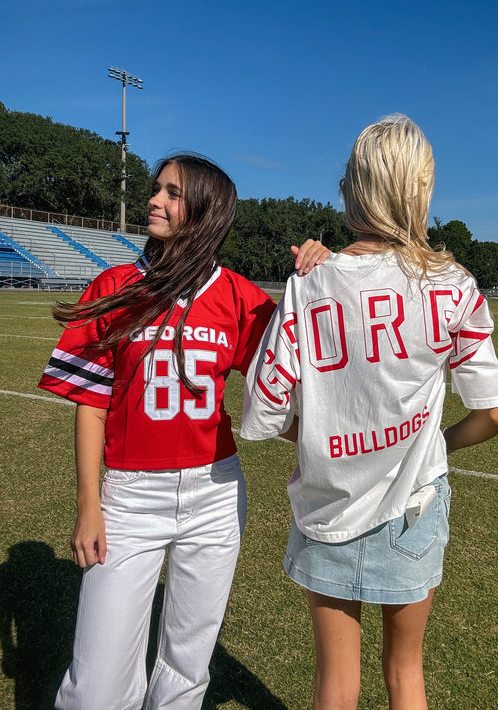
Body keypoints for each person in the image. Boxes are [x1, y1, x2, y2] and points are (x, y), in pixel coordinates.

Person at [240, 115, 498, 710]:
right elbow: (495, 414)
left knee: (335, 684)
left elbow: (264, 412)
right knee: (405, 673)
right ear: (421, 190)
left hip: (328, 503)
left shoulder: (309, 282)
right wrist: (432, 441)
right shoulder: (454, 285)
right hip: (415, 506)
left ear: (353, 187)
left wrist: (327, 435)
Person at [38, 153, 328, 710]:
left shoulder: (241, 297)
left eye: (173, 193)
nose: (155, 200)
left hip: (215, 492)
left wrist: (320, 274)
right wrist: (88, 502)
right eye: (158, 189)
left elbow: (293, 383)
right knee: (95, 688)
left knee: (186, 668)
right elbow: (92, 405)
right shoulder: (117, 285)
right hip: (128, 495)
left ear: (205, 212)